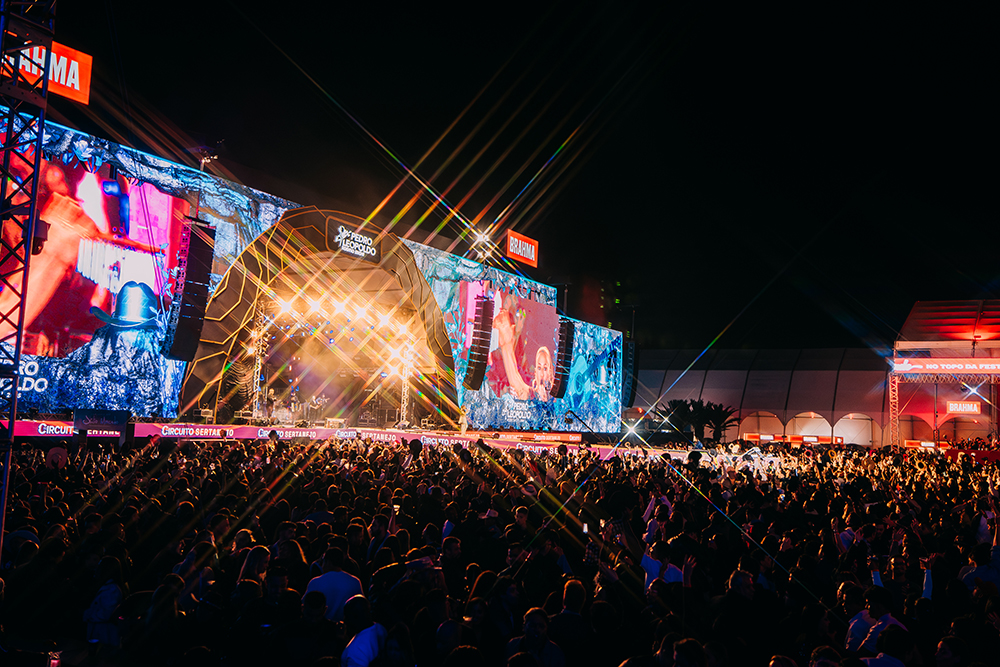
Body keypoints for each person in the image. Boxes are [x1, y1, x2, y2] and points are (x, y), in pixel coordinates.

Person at [303, 547, 362, 622]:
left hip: (321, 624)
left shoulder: (316, 582)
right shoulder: (355, 582)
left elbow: (304, 604)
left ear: (328, 562)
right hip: (346, 625)